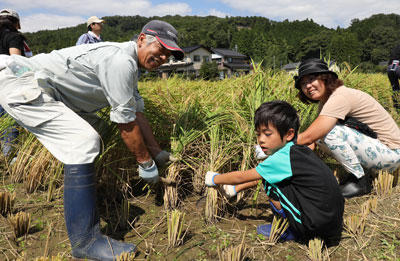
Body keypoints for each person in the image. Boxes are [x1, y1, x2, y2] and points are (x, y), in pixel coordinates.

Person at [0, 20, 184, 260]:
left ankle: (86, 199)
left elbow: (137, 114)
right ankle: (86, 241)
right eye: (160, 49)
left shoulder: (130, 68)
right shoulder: (121, 61)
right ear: (141, 40)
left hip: (35, 83)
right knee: (84, 141)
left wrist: (157, 153)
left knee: (98, 133)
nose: (162, 58)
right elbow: (126, 124)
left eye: (168, 55)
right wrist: (145, 163)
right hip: (20, 79)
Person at [205, 100, 344, 246]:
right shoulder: (297, 150)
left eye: (267, 134)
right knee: (272, 178)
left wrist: (214, 178)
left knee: (269, 181)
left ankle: (289, 229)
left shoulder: (282, 158)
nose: (261, 140)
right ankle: (294, 224)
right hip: (331, 222)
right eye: (258, 134)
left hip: (315, 227)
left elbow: (242, 176)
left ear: (289, 134)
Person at [295, 58, 400, 198]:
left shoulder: (339, 97)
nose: (308, 86)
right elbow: (312, 142)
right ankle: (361, 173)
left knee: (328, 133)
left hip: (392, 154)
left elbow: (310, 135)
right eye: (303, 83)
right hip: (382, 151)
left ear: (325, 78)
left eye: (312, 79)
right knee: (321, 136)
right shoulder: (327, 100)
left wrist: (277, 146)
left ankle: (360, 182)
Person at [0, 8, 32, 161]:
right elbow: (15, 61)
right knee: (10, 120)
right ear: (16, 23)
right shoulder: (13, 37)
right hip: (7, 85)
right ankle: (10, 158)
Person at [387, 44, 400, 109]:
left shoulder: (396, 47)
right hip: (398, 67)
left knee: (395, 88)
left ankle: (396, 106)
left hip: (390, 67)